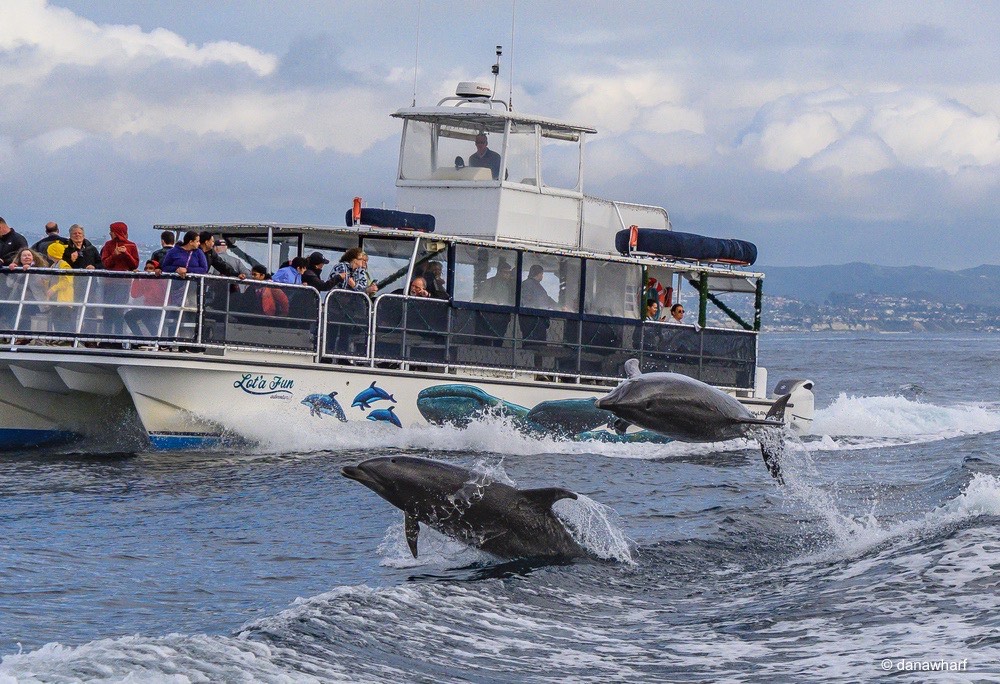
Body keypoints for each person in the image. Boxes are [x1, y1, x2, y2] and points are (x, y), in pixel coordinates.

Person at [124, 260, 168, 337]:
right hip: (148, 307)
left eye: (151, 268)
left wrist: (158, 277)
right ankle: (139, 338)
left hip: (160, 307)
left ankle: (158, 338)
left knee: (146, 318)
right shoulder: (145, 280)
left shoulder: (163, 279)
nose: (148, 270)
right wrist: (136, 278)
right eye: (146, 268)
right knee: (128, 316)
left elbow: (161, 295)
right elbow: (135, 294)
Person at [46, 242, 75, 334]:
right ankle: (59, 337)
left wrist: (53, 288)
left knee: (64, 321)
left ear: (51, 253)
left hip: (64, 300)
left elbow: (67, 281)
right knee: (56, 320)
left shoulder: (64, 265)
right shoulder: (54, 265)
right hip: (55, 300)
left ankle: (65, 338)